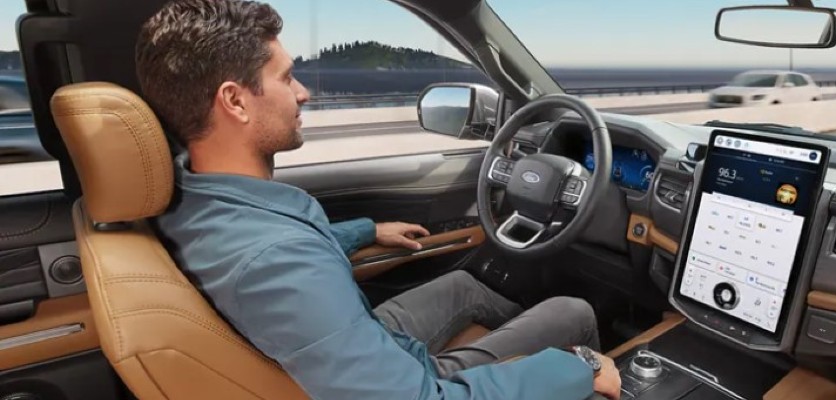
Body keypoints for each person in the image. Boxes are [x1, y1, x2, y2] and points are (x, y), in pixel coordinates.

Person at [135, 0, 623, 399]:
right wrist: (574, 370)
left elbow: (284, 251)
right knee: (573, 314)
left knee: (463, 285)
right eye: (285, 78)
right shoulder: (280, 263)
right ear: (235, 101)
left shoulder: (193, 195)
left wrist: (366, 231)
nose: (302, 93)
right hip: (407, 379)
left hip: (342, 343)